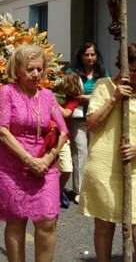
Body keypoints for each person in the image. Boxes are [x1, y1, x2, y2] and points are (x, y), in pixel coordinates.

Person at [80, 42, 136, 262]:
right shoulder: (103, 86)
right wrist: (114, 98)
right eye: (135, 70)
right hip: (104, 168)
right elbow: (91, 124)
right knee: (105, 228)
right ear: (123, 67)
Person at [0, 45, 68, 262]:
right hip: (13, 167)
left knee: (47, 221)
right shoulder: (6, 93)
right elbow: (2, 131)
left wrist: (46, 159)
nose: (36, 74)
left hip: (45, 166)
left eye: (39, 69)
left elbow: (63, 131)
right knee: (16, 222)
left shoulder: (48, 96)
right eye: (30, 69)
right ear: (17, 70)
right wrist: (28, 160)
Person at [69, 42, 107, 202]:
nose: (90, 58)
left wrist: (88, 98)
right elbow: (72, 94)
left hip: (97, 118)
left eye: (93, 54)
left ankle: (94, 188)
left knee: (95, 152)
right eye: (87, 54)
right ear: (81, 56)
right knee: (81, 152)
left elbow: (107, 94)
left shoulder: (103, 73)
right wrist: (91, 98)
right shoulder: (72, 73)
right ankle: (80, 191)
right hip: (78, 118)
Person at [55, 71, 83, 208]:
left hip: (62, 136)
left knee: (67, 169)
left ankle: (58, 191)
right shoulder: (51, 90)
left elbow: (66, 113)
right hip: (46, 135)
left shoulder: (73, 99)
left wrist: (52, 101)